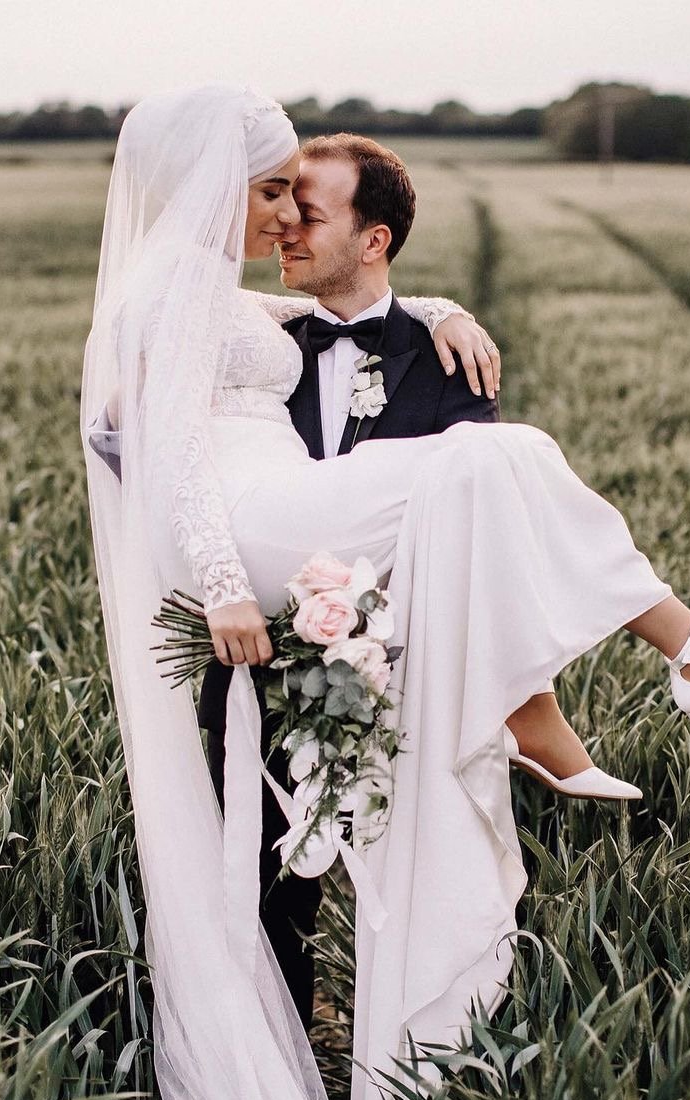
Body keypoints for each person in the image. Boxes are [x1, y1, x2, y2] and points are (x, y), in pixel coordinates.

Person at [78, 86, 690, 1100]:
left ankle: (648, 668)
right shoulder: (171, 294)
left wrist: (435, 305)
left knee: (497, 457)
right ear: (208, 182)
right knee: (502, 458)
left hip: (295, 540)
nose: (273, 214)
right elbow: (157, 448)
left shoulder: (205, 289)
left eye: (292, 199)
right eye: (266, 189)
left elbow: (290, 328)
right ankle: (687, 654)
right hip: (261, 550)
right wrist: (215, 584)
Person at [91, 131, 640, 1034]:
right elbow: (152, 441)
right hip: (263, 648)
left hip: (406, 665)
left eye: (308, 213)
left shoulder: (442, 353)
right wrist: (132, 416)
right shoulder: (248, 333)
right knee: (266, 883)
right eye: (280, 204)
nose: (283, 231)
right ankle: (282, 1053)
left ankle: (431, 1049)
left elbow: (472, 527)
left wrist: (441, 309)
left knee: (428, 872)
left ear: (373, 238)